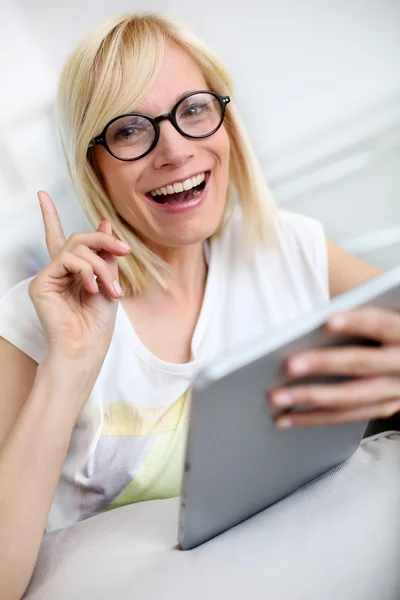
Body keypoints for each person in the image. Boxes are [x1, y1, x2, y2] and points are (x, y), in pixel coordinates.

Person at [0, 12, 399, 600]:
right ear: (95, 166)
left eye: (192, 110)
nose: (175, 150)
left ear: (224, 122)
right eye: (131, 130)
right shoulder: (34, 320)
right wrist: (68, 370)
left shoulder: (288, 244)